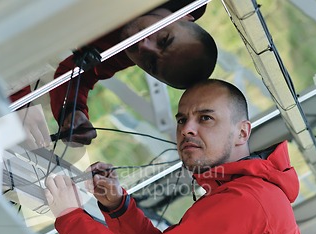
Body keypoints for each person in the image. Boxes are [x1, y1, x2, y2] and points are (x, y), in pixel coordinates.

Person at [44, 79, 302, 234]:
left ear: (242, 132)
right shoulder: (245, 194)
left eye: (205, 118)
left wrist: (71, 217)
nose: (187, 129)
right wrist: (118, 207)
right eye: (182, 120)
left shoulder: (246, 202)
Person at [11, 0, 217, 146]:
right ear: (186, 15)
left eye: (150, 63)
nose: (145, 46)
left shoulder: (127, 49)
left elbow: (78, 73)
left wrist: (73, 113)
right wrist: (18, 99)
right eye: (164, 39)